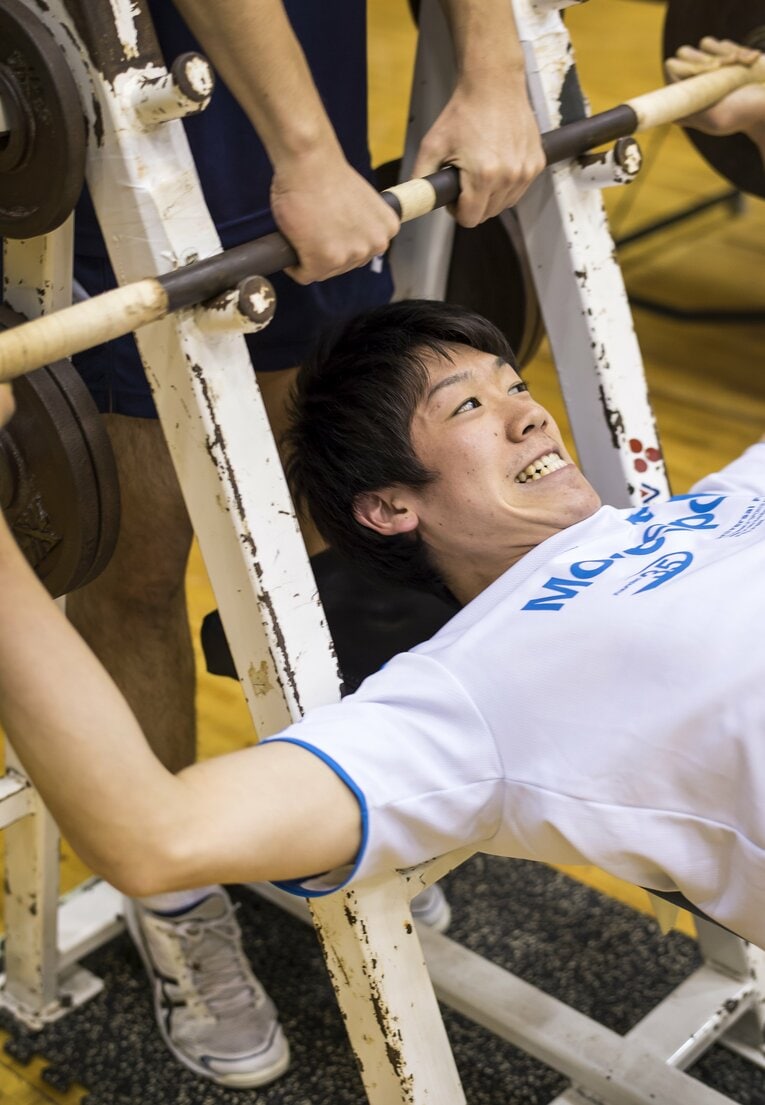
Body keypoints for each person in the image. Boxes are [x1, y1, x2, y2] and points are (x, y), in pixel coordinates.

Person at [63, 0, 545, 1087]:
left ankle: (341, 807)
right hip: (136, 96)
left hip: (307, 89)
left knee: (337, 503)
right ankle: (174, 899)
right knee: (137, 557)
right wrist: (307, 149)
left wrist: (491, 74)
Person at [2, 291, 765, 971]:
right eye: (466, 407)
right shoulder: (474, 688)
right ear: (390, 506)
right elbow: (154, 836)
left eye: (515, 386)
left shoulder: (715, 501)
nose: (531, 414)